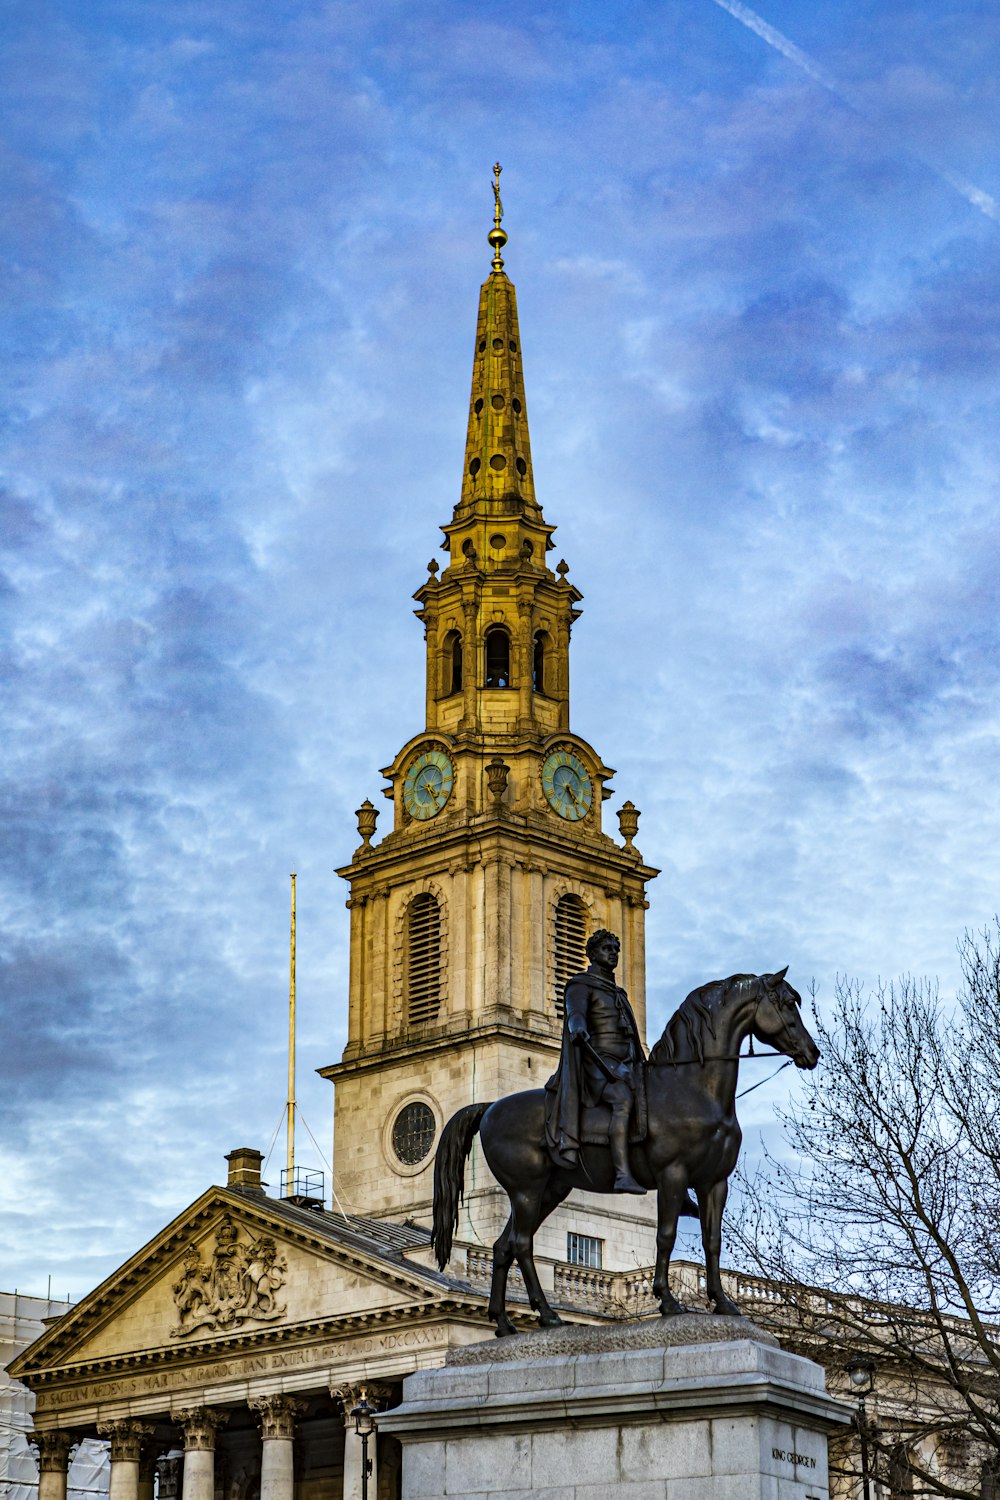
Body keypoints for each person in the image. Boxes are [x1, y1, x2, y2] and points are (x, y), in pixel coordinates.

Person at [544, 929, 647, 1193]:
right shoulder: (581, 985)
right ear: (591, 954)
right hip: (598, 1066)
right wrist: (577, 1026)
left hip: (627, 1065)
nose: (613, 953)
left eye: (615, 949)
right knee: (623, 1100)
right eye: (607, 949)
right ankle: (623, 1173)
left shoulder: (619, 993)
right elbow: (575, 1012)